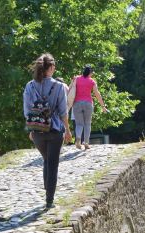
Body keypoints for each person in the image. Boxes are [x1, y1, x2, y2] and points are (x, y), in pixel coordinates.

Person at [23, 54, 72, 209]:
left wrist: (32, 128)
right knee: (52, 163)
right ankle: (49, 200)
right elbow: (63, 112)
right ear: (51, 67)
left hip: (37, 131)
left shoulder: (29, 86)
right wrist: (68, 131)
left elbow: (27, 111)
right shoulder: (58, 86)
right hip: (55, 129)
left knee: (46, 160)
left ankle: (47, 192)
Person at [70, 65, 107, 150]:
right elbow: (97, 94)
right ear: (91, 73)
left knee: (79, 123)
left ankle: (78, 138)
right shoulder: (91, 81)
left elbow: (70, 88)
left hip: (77, 103)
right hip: (88, 103)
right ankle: (86, 142)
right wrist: (102, 106)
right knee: (87, 123)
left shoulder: (76, 79)